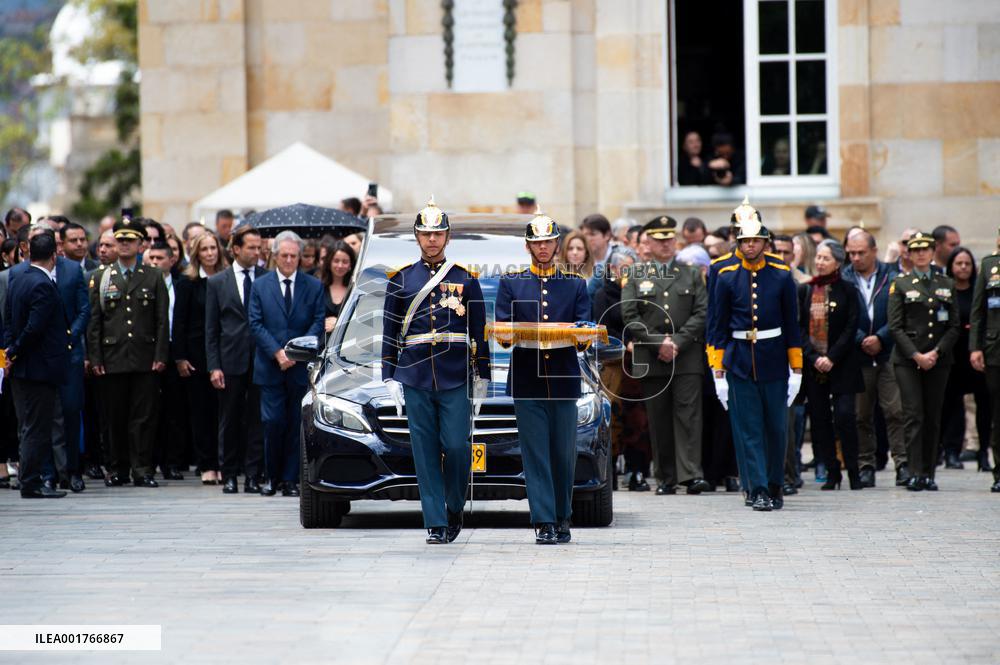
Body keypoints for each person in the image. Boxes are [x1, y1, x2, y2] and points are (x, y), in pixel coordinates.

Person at [381, 199, 490, 544]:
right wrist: (388, 375)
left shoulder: (465, 279)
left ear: (448, 236)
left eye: (437, 233)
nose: (432, 240)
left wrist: (483, 376)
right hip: (414, 375)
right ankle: (435, 522)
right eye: (426, 234)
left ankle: (454, 504)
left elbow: (479, 330)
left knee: (457, 447)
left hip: (455, 373)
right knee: (424, 451)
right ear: (416, 236)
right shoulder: (400, 280)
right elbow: (389, 331)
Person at [495, 212, 590, 544]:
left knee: (564, 454)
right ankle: (544, 521)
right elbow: (503, 329)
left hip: (563, 377)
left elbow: (583, 329)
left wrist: (583, 335)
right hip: (527, 377)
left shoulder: (575, 284)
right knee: (535, 454)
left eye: (548, 242)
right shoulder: (511, 282)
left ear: (557, 245)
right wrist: (507, 336)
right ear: (528, 246)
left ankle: (563, 515)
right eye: (537, 243)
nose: (543, 248)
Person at [708, 199, 802, 511]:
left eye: (756, 240)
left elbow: (792, 323)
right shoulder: (725, 274)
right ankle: (757, 487)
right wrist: (717, 369)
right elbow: (716, 325)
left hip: (774, 357)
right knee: (748, 429)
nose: (750, 246)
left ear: (765, 242)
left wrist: (797, 368)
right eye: (745, 240)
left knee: (776, 428)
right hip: (738, 359)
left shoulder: (782, 273)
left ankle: (775, 484)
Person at [621, 216, 710, 495]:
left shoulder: (692, 273)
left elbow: (702, 312)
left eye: (669, 239)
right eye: (659, 240)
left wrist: (677, 342)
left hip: (685, 356)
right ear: (648, 242)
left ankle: (691, 474)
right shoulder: (636, 274)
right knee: (657, 420)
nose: (665, 244)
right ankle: (666, 477)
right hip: (651, 356)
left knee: (688, 416)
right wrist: (659, 342)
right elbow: (629, 315)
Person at [87, 215, 169, 488]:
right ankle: (117, 468)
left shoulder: (154, 275)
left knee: (143, 417)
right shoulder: (101, 276)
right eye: (120, 240)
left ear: (141, 244)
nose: (123, 245)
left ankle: (142, 469)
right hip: (112, 358)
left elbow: (161, 320)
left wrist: (160, 355)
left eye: (129, 240)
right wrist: (96, 357)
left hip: (145, 357)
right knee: (114, 417)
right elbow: (95, 321)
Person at [248, 230, 324, 497]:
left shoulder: (313, 286)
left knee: (295, 423)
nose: (290, 260)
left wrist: (294, 353)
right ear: (275, 256)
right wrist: (278, 353)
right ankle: (272, 477)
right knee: (272, 422)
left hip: (299, 367)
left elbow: (317, 322)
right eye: (285, 255)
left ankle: (291, 480)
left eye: (294, 256)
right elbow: (255, 323)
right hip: (270, 366)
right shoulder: (260, 285)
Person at [887, 232, 960, 491]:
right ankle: (915, 471)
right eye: (915, 249)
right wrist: (917, 355)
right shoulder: (901, 283)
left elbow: (953, 325)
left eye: (925, 249)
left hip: (938, 359)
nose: (920, 254)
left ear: (932, 251)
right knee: (913, 414)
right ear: (909, 253)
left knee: (932, 415)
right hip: (908, 359)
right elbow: (895, 326)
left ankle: (929, 473)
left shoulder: (945, 283)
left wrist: (936, 353)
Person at [4, 233, 70, 498]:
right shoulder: (42, 284)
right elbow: (35, 327)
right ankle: (30, 482)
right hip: (38, 368)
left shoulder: (18, 280)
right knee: (36, 427)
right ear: (54, 255)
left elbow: (7, 321)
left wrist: (9, 351)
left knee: (28, 425)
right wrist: (15, 349)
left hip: (22, 367)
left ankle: (29, 479)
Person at [843, 230, 909, 487]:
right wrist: (861, 339)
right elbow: (843, 317)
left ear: (873, 251)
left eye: (861, 253)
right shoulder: (844, 277)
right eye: (851, 253)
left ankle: (902, 463)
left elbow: (898, 315)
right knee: (861, 414)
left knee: (895, 411)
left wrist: (881, 337)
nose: (856, 258)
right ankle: (865, 464)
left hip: (888, 353)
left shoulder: (892, 276)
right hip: (857, 355)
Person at [798, 240, 865, 490]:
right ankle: (831, 471)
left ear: (838, 262)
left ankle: (854, 471)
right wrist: (814, 357)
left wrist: (832, 357)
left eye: (825, 258)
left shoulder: (848, 290)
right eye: (818, 257)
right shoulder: (806, 290)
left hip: (842, 364)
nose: (819, 262)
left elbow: (851, 326)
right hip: (815, 367)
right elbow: (800, 328)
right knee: (819, 420)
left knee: (846, 416)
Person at [206, 225, 267, 494]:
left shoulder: (266, 278)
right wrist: (214, 365)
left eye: (259, 247)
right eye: (251, 247)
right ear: (236, 249)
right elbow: (211, 329)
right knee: (228, 419)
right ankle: (229, 474)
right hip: (230, 360)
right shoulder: (217, 282)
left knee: (256, 419)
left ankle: (253, 475)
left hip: (261, 360)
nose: (256, 252)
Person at [592, 246, 651, 491]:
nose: (626, 273)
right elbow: (601, 327)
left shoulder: (642, 293)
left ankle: (637, 471)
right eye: (622, 268)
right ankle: (611, 471)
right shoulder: (603, 295)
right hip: (614, 362)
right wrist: (625, 342)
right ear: (611, 269)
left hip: (639, 361)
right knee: (613, 416)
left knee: (638, 418)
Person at [173, 232, 228, 484]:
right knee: (201, 412)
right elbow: (180, 322)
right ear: (197, 253)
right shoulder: (187, 282)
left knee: (224, 412)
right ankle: (207, 464)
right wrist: (180, 357)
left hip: (223, 353)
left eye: (213, 248)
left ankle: (224, 462)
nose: (209, 253)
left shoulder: (226, 279)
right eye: (204, 249)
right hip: (196, 355)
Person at [940, 247, 991, 470]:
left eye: (967, 264)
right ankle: (951, 451)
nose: (963, 267)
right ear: (951, 266)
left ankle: (983, 453)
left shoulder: (979, 290)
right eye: (958, 263)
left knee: (984, 404)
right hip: (952, 354)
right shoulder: (945, 291)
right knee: (951, 404)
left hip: (976, 353)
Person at [142, 241, 186, 481]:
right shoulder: (144, 283)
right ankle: (148, 460)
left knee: (174, 410)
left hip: (174, 350)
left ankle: (172, 461)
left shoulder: (181, 285)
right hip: (148, 352)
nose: (156, 262)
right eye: (153, 258)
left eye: (161, 258)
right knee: (148, 409)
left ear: (172, 260)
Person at [969, 228, 1000, 492]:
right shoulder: (990, 266)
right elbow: (978, 311)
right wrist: (975, 347)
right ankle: (999, 471)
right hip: (995, 349)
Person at [320, 240, 355, 335]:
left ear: (351, 264)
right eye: (336, 261)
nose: (340, 265)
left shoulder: (356, 289)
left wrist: (339, 323)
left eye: (345, 262)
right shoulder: (317, 288)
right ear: (329, 262)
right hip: (321, 345)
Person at [581, 214, 615, 298]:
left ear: (607, 235)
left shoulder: (618, 257)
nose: (588, 239)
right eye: (585, 235)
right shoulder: (579, 260)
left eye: (592, 234)